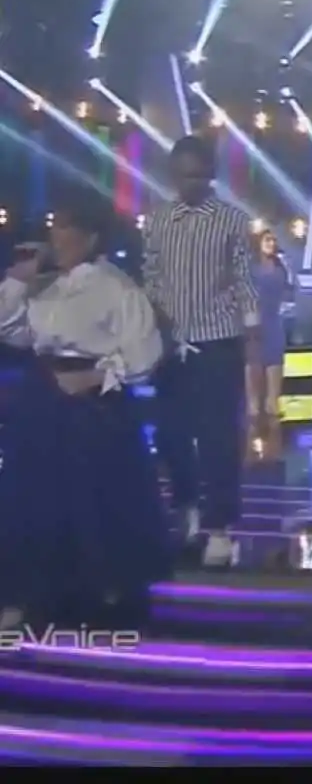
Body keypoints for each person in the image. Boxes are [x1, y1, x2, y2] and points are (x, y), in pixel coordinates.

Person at [0, 195, 169, 631]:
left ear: (90, 236)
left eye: (65, 227)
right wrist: (17, 281)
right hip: (42, 400)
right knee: (31, 498)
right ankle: (30, 594)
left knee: (91, 501)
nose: (55, 236)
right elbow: (11, 330)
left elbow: (144, 355)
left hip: (93, 407)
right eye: (54, 225)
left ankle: (98, 596)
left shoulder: (117, 288)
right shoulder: (48, 287)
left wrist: (95, 376)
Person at [143, 135, 261, 567]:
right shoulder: (158, 219)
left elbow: (244, 279)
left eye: (197, 174)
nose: (189, 182)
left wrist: (253, 330)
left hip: (217, 340)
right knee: (171, 434)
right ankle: (186, 509)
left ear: (211, 174)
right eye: (182, 175)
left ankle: (220, 527)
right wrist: (153, 316)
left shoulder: (232, 220)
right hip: (169, 343)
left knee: (218, 438)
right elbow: (150, 272)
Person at [246, 229, 293, 456]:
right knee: (253, 364)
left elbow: (290, 291)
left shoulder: (281, 266)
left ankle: (273, 406)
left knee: (275, 362)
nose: (271, 243)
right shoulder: (249, 266)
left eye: (274, 240)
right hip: (253, 321)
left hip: (274, 320)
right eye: (267, 240)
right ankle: (253, 410)